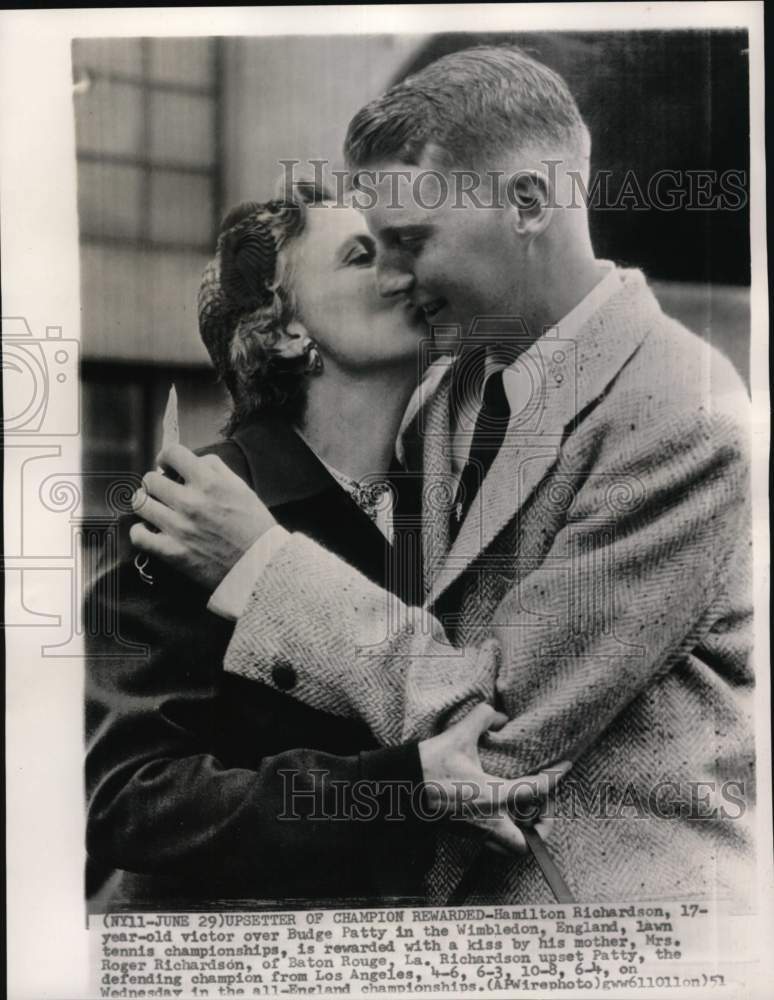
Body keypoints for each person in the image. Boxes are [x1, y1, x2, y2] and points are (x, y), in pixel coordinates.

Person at [134, 46, 754, 904]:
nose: (395, 281)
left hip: (615, 931)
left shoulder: (686, 415)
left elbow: (499, 733)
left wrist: (262, 564)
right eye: (372, 250)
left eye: (411, 243)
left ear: (529, 203)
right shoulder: (446, 397)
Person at [85, 182, 555, 910]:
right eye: (362, 256)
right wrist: (396, 787)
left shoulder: (456, 508)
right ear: (285, 331)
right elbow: (133, 804)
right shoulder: (187, 506)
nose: (404, 272)